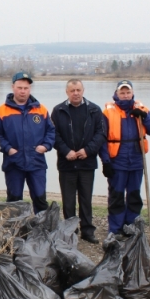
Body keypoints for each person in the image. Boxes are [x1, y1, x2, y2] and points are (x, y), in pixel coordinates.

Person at [99, 80, 150, 239]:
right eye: (122, 92)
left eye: (128, 92)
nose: (125, 95)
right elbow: (101, 138)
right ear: (116, 94)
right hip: (117, 160)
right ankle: (115, 228)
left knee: (134, 195)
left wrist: (145, 117)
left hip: (136, 160)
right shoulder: (107, 113)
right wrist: (105, 161)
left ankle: (130, 225)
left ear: (132, 93)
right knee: (116, 195)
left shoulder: (141, 110)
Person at [50, 79, 106, 243]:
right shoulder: (58, 110)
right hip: (66, 163)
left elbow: (101, 134)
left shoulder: (94, 110)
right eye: (72, 90)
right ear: (67, 92)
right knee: (68, 201)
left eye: (78, 90)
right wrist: (66, 151)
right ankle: (69, 232)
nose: (76, 93)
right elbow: (53, 135)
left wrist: (87, 150)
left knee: (86, 199)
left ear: (83, 90)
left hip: (87, 163)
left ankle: (87, 231)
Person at [0, 72, 55, 214]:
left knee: (40, 198)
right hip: (14, 162)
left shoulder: (41, 109)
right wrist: (8, 149)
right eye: (19, 87)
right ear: (12, 87)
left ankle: (42, 230)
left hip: (36, 161)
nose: (22, 91)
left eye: (26, 88)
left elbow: (51, 131)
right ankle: (15, 232)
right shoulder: (1, 111)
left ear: (30, 89)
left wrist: (46, 146)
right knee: (14, 199)